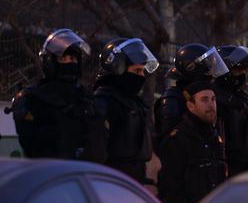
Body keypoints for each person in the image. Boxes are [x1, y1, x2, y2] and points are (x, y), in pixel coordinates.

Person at [10, 29, 106, 162]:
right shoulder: (34, 98)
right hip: (51, 171)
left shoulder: (85, 98)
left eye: (73, 59)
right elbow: (31, 144)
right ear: (50, 61)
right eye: (63, 58)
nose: (70, 63)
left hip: (85, 171)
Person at [157, 81, 227, 203]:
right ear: (191, 106)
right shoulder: (179, 139)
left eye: (213, 99)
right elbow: (171, 188)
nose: (211, 105)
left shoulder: (214, 136)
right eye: (204, 100)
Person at [93, 38, 158, 183]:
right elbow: (97, 153)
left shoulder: (135, 103)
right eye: (137, 70)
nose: (142, 76)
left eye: (143, 71)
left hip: (132, 183)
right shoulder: (105, 102)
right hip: (112, 184)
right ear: (118, 69)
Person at [153, 43, 229, 148]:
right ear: (191, 68)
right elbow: (169, 143)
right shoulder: (173, 100)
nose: (211, 75)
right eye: (207, 70)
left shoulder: (205, 96)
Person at [214, 45, 248, 176]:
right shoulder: (214, 97)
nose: (242, 74)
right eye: (238, 69)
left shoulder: (240, 96)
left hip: (244, 163)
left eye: (244, 70)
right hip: (226, 164)